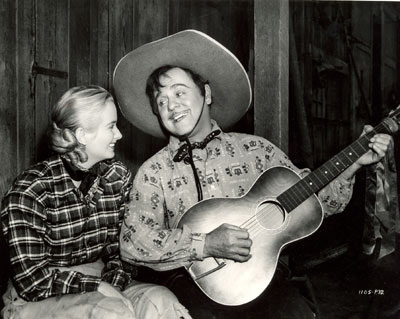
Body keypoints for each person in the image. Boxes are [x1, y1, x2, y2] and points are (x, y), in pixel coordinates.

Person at [113, 30, 392, 318]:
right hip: (192, 288)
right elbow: (133, 243)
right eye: (161, 101)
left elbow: (321, 203)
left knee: (295, 312)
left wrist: (354, 164)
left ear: (206, 94)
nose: (171, 106)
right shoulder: (153, 171)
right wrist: (204, 244)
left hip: (264, 283)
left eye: (180, 92)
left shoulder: (256, 150)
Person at [0, 85, 192, 319]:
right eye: (111, 126)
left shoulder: (117, 177)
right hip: (36, 297)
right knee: (111, 312)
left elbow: (121, 253)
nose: (119, 134)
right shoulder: (29, 192)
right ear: (82, 135)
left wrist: (112, 282)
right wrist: (97, 287)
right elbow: (32, 282)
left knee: (161, 302)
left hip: (100, 280)